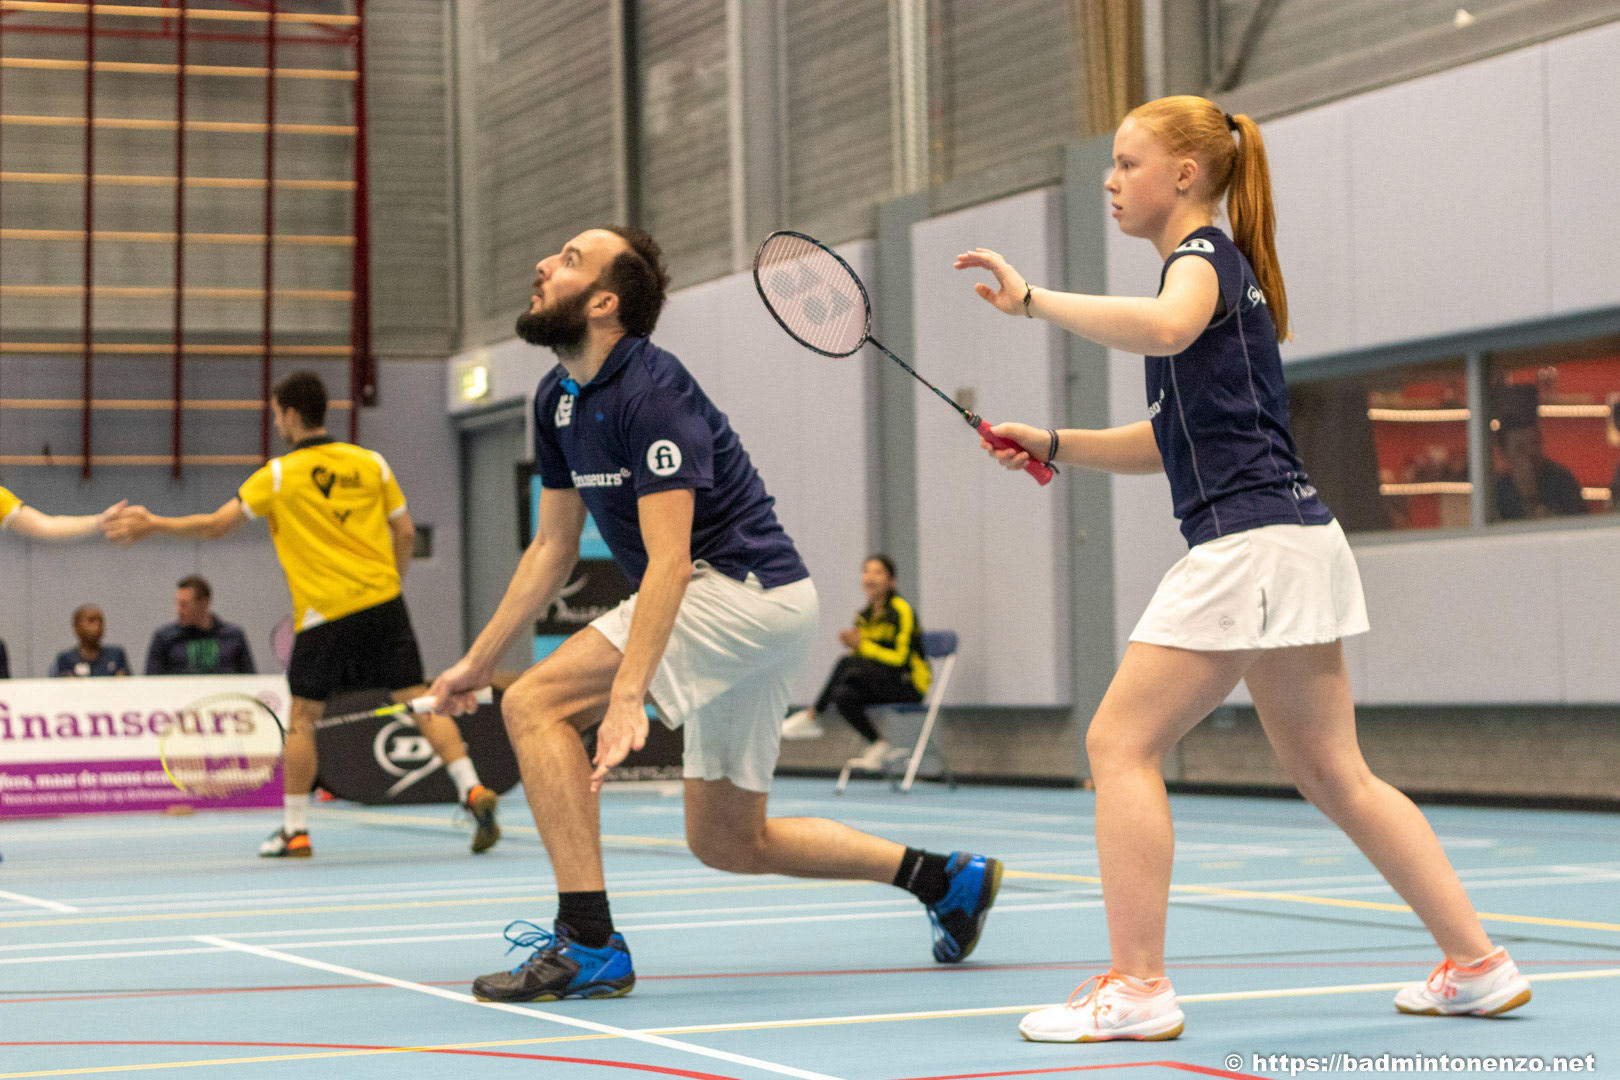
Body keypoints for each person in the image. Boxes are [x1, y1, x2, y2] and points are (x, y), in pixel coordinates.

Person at [956, 95, 1529, 1043]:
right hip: (1295, 537)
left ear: (1185, 175)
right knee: (1336, 772)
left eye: (1128, 162)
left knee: (1119, 745)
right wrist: (1054, 440)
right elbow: (1170, 437)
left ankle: (1138, 989)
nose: (1111, 179)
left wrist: (1034, 303)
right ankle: (1478, 965)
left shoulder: (1201, 262)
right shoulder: (1226, 272)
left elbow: (1168, 328)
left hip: (1250, 544)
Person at [430, 226, 1000, 1003]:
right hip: (760, 604)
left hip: (740, 592)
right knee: (730, 839)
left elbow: (669, 561)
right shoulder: (556, 396)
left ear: (604, 302)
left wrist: (629, 692)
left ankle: (588, 943)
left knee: (534, 702)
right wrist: (475, 660)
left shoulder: (652, 391)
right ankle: (943, 879)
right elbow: (552, 549)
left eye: (567, 260)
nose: (541, 263)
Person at [105, 373, 500, 858]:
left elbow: (214, 525)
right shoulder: (371, 463)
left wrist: (154, 523)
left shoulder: (277, 474)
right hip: (384, 602)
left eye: (275, 414)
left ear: (291, 414)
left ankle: (295, 830)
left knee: (302, 720)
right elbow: (404, 533)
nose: (276, 423)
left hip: (323, 614)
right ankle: (472, 787)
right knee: (417, 698)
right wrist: (390, 584)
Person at [781, 554, 931, 771]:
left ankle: (813, 715)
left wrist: (862, 647)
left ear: (892, 581)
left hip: (908, 684)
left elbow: (900, 659)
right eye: (866, 571)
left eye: (878, 572)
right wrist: (854, 645)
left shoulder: (901, 611)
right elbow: (863, 661)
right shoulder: (863, 616)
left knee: (846, 663)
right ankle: (878, 743)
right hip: (880, 683)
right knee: (843, 695)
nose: (871, 577)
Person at [144, 576, 257, 676]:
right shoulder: (165, 638)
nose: (179, 610)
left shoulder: (232, 636)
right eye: (177, 603)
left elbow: (250, 680)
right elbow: (152, 682)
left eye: (184, 605)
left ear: (204, 603)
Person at [1494, 416, 1585, 520]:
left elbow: (1576, 524)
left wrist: (1532, 498)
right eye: (1520, 447)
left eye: (1534, 444)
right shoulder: (1498, 490)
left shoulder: (1562, 481)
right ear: (1504, 453)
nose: (1530, 453)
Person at [49, 604, 132, 678]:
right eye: (91, 620)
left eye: (100, 621)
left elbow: (126, 685)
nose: (97, 626)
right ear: (76, 627)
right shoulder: (65, 659)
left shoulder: (116, 655)